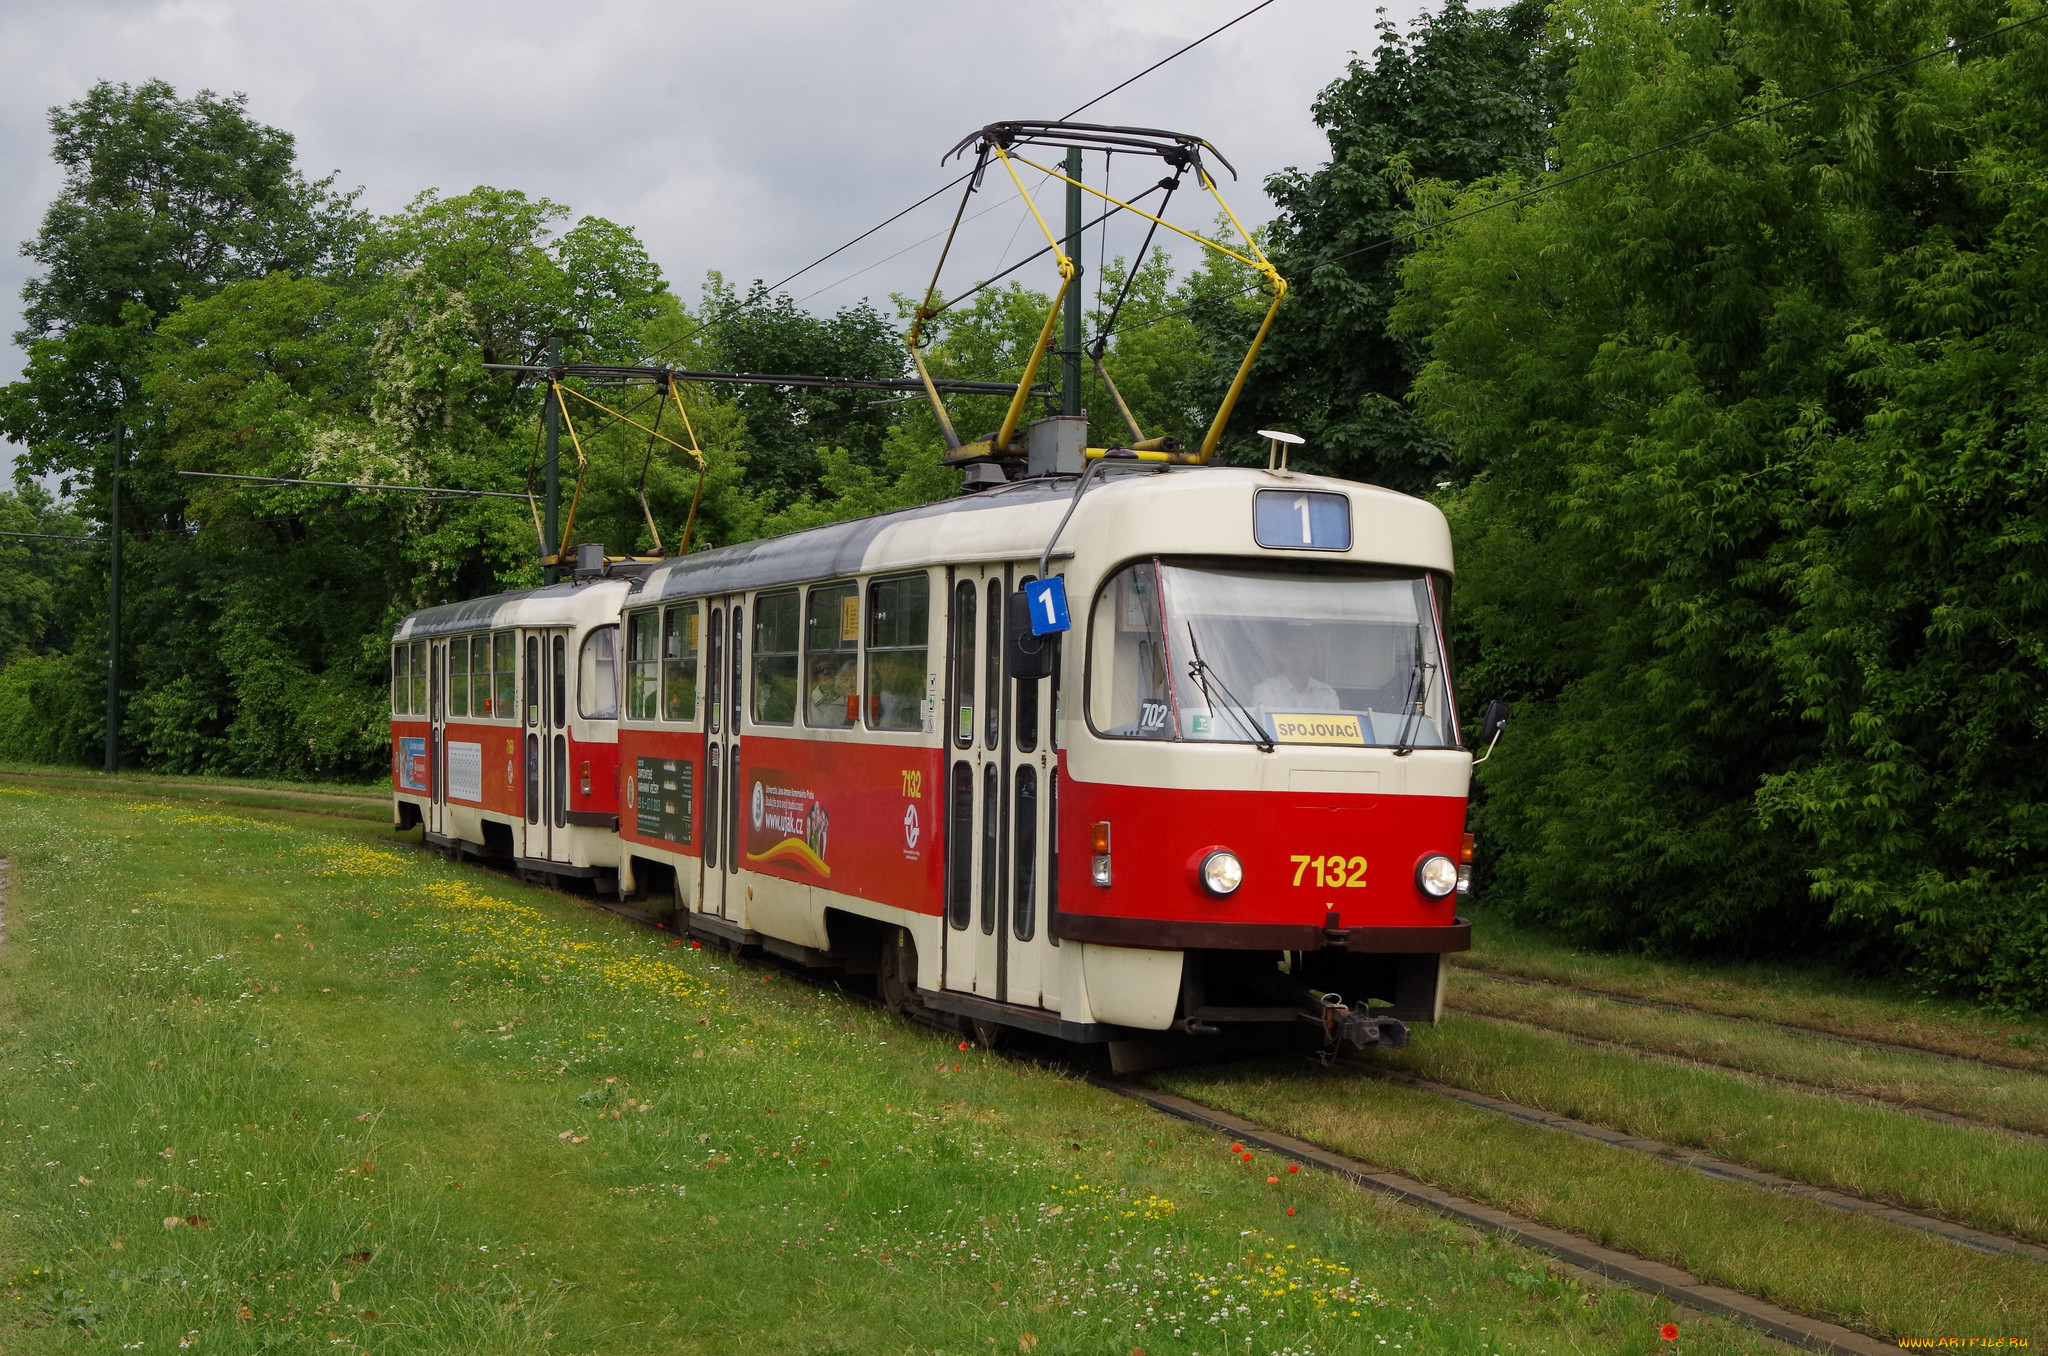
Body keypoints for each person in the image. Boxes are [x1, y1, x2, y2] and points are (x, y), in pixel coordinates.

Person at [1252, 631, 1338, 712]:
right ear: (1279, 656)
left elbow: (1335, 726)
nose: (1298, 655)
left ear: (1312, 656)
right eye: (1292, 649)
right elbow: (1262, 725)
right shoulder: (1265, 690)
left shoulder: (1327, 694)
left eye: (1304, 650)